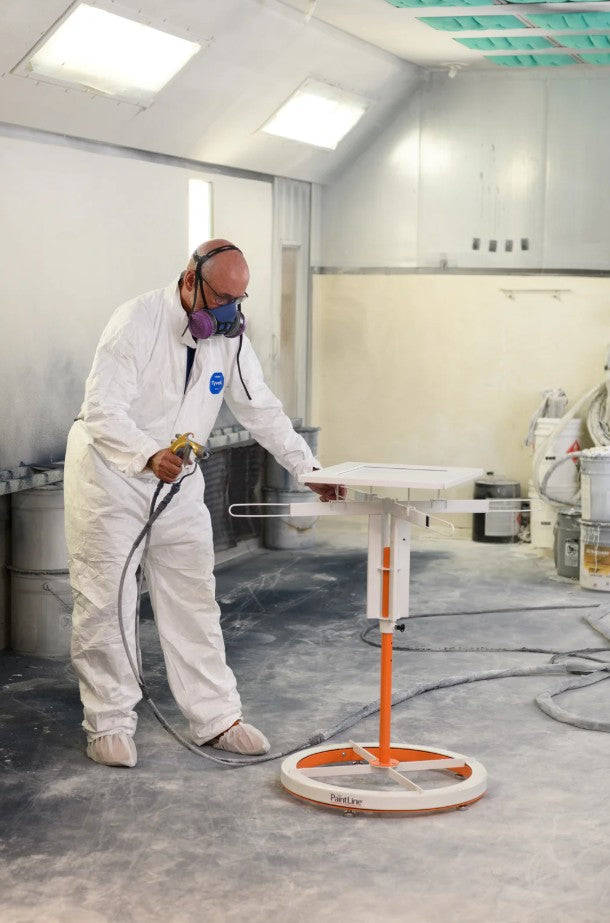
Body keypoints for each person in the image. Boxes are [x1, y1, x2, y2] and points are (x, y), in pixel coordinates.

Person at [64, 239, 342, 768]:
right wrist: (146, 454)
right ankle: (108, 724)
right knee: (107, 602)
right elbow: (100, 409)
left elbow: (261, 409)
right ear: (189, 281)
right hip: (111, 477)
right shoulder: (135, 322)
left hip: (178, 477)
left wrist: (308, 469)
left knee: (193, 595)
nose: (230, 312)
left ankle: (216, 718)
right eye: (220, 299)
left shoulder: (228, 337)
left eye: (239, 300)